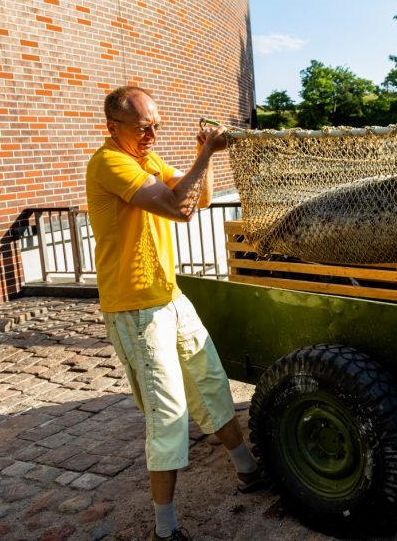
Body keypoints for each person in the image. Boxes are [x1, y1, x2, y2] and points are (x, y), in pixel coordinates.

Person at [86, 86, 266, 541]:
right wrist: (206, 154)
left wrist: (201, 157)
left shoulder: (147, 159)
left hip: (169, 297)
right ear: (113, 127)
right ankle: (164, 530)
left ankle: (247, 471)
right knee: (168, 415)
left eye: (157, 126)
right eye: (143, 127)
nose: (152, 134)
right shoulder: (110, 162)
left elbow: (197, 200)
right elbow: (173, 208)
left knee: (210, 381)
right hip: (136, 310)